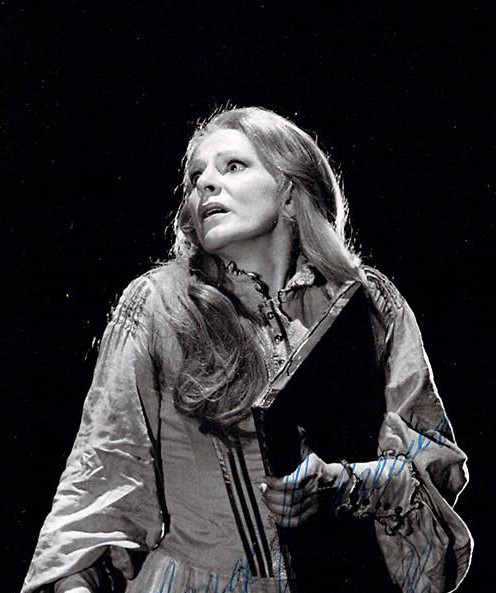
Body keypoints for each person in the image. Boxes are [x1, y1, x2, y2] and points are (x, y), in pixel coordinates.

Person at [21, 107, 473, 593]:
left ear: (289, 192)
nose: (205, 184)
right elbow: (102, 474)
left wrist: (341, 483)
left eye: (232, 166)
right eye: (196, 177)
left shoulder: (368, 304)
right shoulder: (158, 305)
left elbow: (432, 466)